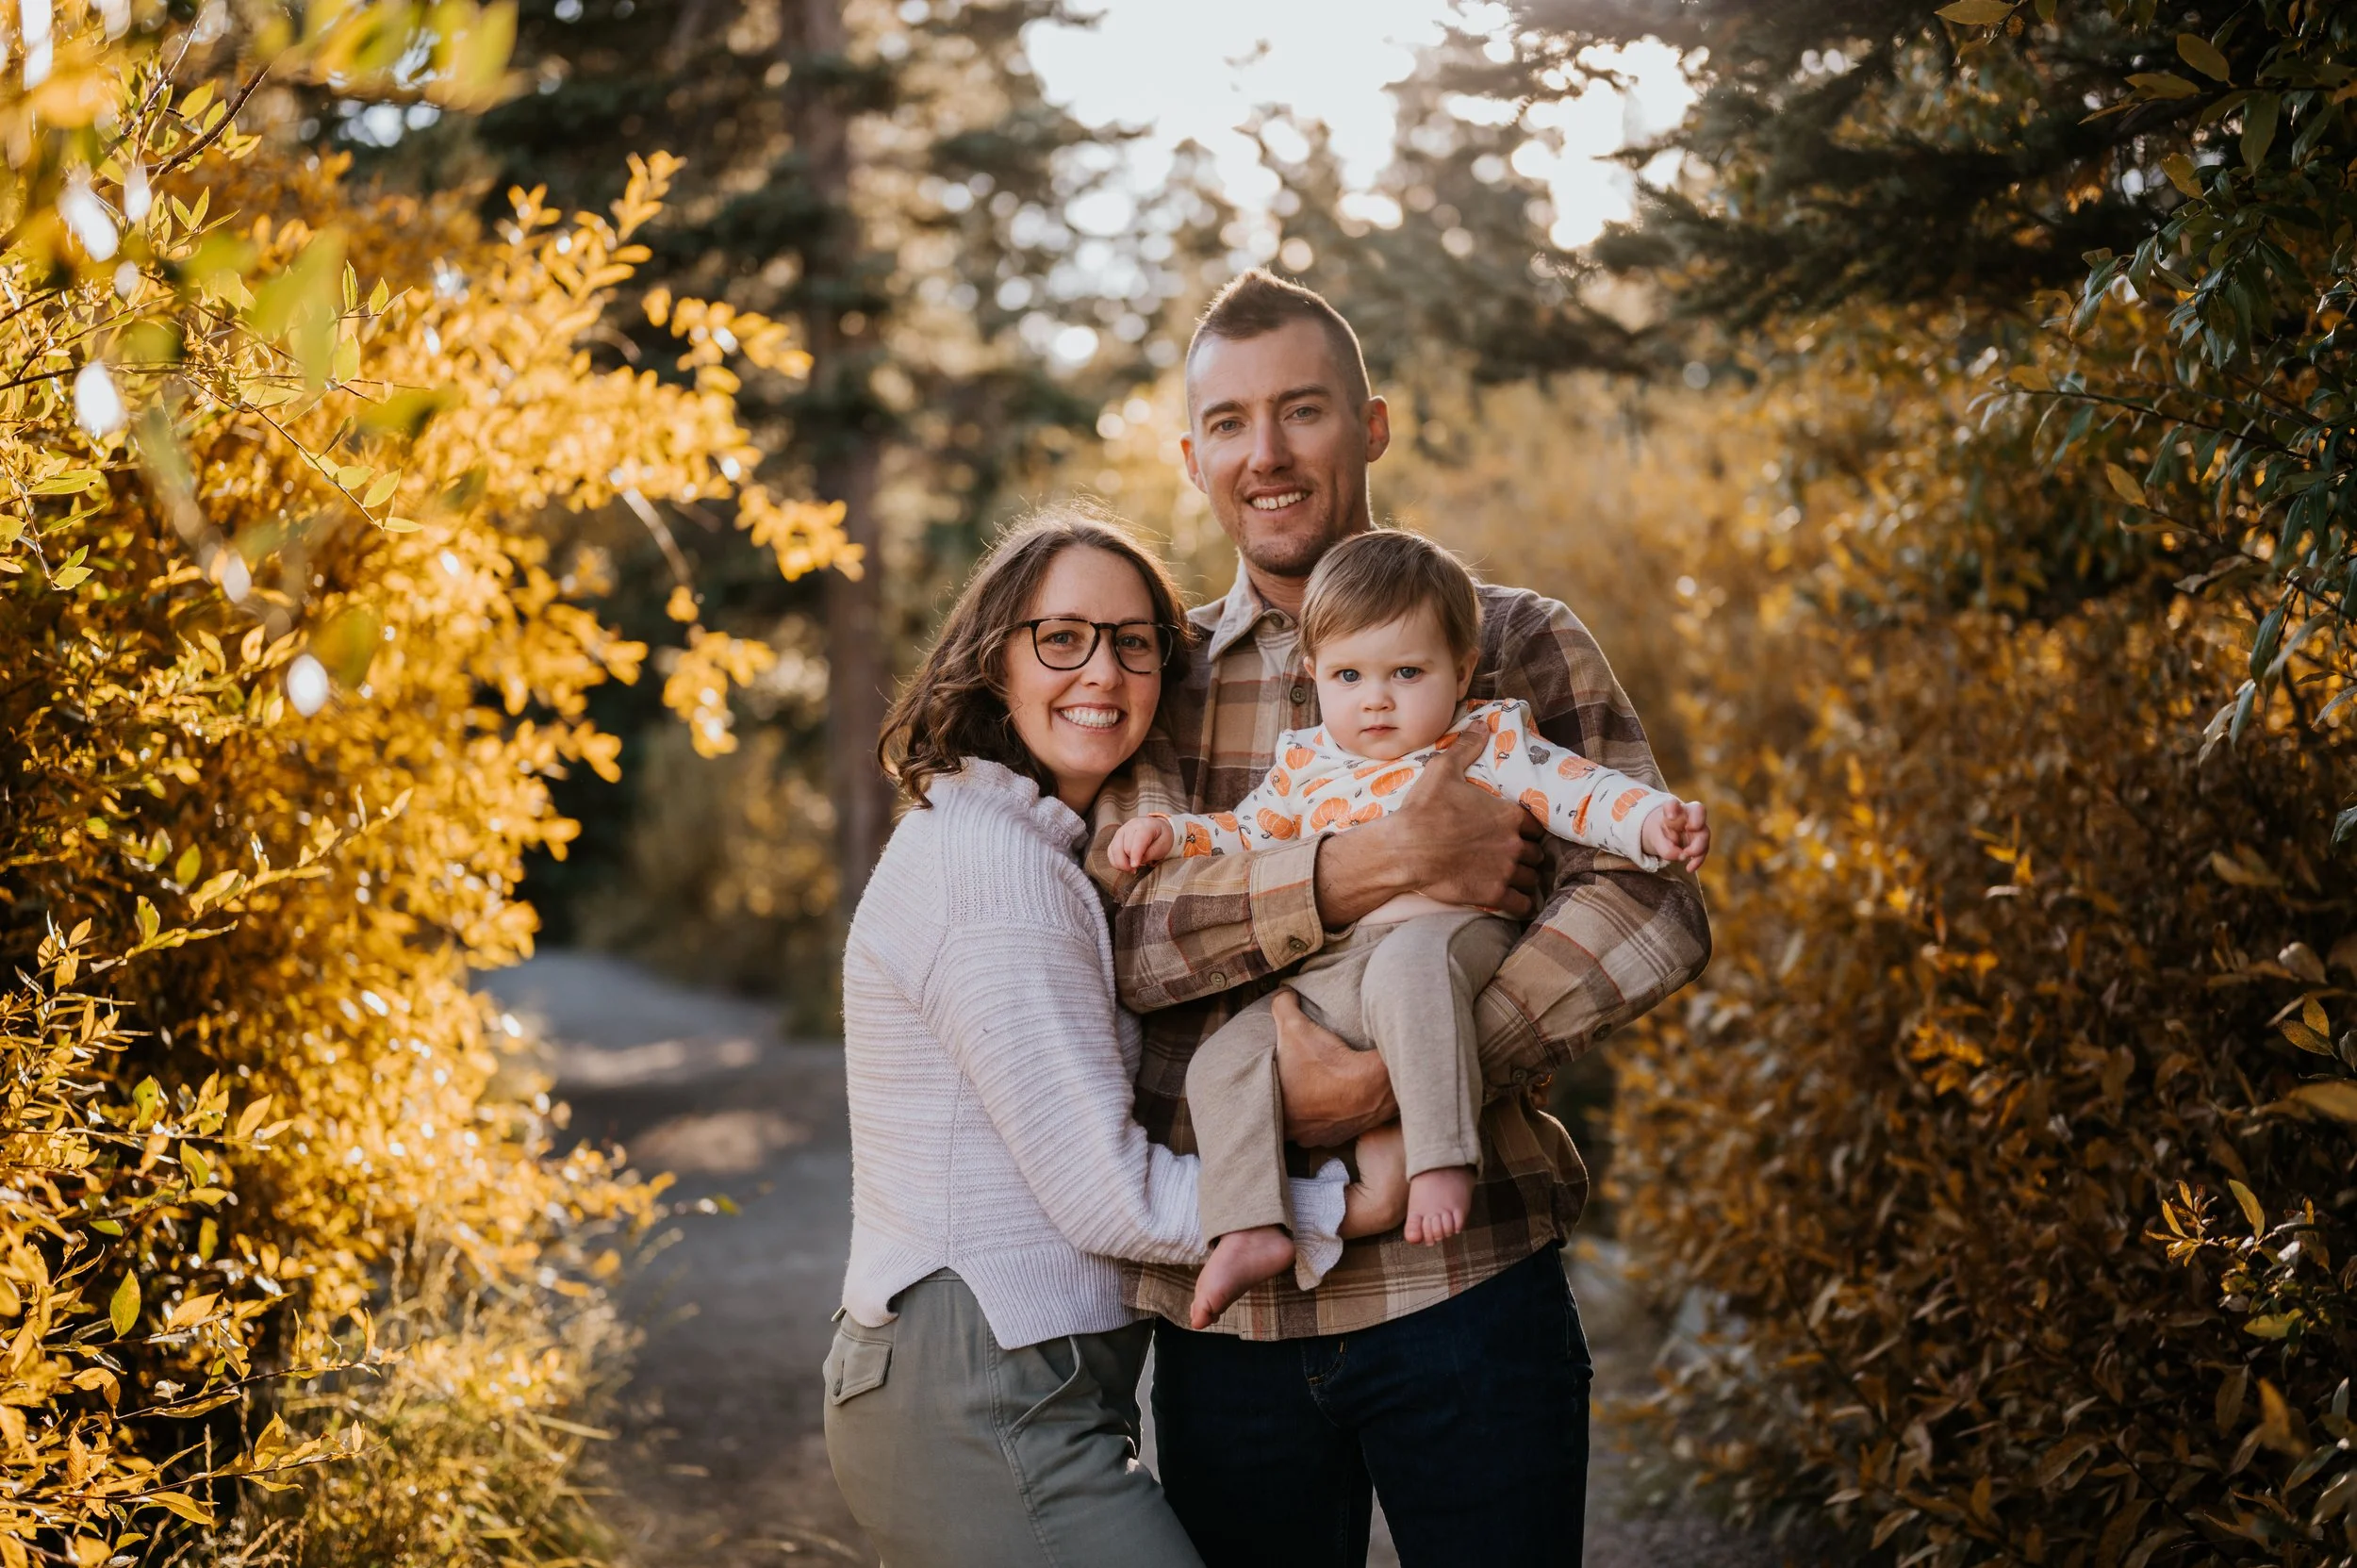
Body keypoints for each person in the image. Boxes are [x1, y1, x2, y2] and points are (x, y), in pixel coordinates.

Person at [1086, 271, 1713, 1566]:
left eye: (1302, 410)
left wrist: (1400, 1074)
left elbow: (1651, 902)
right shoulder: (1158, 671)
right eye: (1229, 422)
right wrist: (1366, 863)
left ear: (1369, 426)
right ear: (1192, 454)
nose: (1266, 453)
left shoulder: (1514, 642)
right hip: (1237, 1333)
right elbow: (1131, 937)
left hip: (1469, 1287)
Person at [822, 509, 1407, 1568]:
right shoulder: (991, 872)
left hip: (1016, 1384)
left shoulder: (1029, 846)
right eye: (1061, 636)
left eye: (1133, 640)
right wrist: (1350, 1203)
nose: (1101, 667)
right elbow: (1107, 1191)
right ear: (992, 661)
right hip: (979, 1391)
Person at [1108, 528, 1709, 1329]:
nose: (1376, 698)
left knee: (1406, 975)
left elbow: (1580, 791)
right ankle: (1250, 1220)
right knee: (1223, 1061)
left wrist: (1653, 821)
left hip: (1451, 939)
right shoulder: (1304, 765)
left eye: (1407, 673)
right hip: (1329, 974)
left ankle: (1440, 1159)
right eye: (1349, 675)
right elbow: (1241, 833)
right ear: (1316, 673)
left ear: (1460, 671)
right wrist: (1175, 838)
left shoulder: (1485, 740)